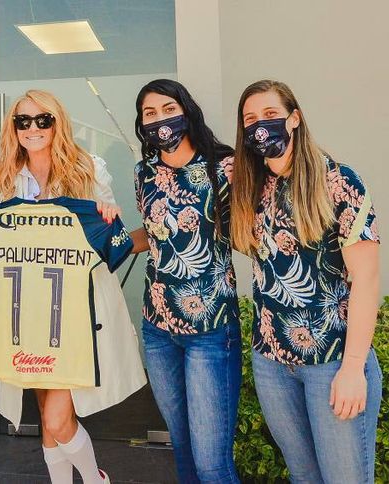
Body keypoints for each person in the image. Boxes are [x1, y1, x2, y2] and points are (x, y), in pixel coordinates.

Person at [0, 89, 145, 484]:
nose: (32, 128)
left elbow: (108, 237)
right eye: (23, 121)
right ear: (14, 128)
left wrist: (107, 212)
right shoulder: (5, 178)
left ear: (57, 122)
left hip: (76, 315)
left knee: (56, 418)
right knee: (48, 417)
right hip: (31, 315)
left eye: (42, 119)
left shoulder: (88, 168)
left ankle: (96, 480)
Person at [230, 79, 382, 483]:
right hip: (271, 363)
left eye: (270, 114)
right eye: (250, 119)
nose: (260, 126)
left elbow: (366, 279)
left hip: (332, 362)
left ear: (294, 118)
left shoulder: (339, 182)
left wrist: (353, 369)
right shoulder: (250, 187)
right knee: (303, 476)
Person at [128, 79, 242, 483]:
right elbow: (155, 233)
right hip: (158, 328)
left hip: (210, 330)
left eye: (168, 109)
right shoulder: (144, 172)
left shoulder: (224, 167)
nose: (160, 119)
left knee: (212, 462)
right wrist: (105, 241)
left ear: (186, 111)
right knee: (183, 449)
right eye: (150, 113)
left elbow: (247, 232)